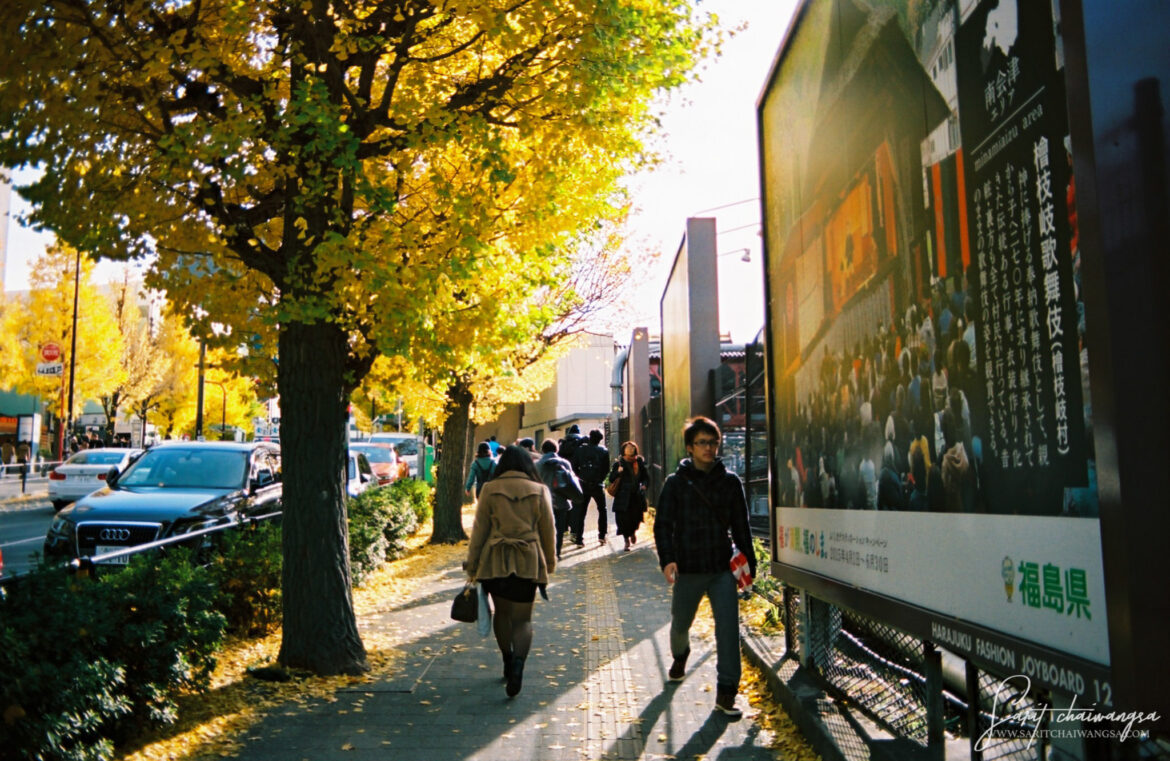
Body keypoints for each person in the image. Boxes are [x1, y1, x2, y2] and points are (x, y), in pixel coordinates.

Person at [654, 416, 757, 718]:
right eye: (702, 443)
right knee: (679, 624)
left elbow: (741, 526)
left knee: (728, 631)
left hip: (721, 569)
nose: (709, 448)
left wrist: (749, 563)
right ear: (690, 447)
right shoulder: (675, 484)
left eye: (713, 442)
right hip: (688, 568)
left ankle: (726, 693)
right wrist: (667, 558)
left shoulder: (729, 482)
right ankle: (680, 655)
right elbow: (663, 525)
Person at [464, 445, 557, 697]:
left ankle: (506, 659)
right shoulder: (539, 490)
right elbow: (548, 530)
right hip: (528, 559)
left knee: (502, 615)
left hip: (496, 559)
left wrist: (472, 565)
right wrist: (550, 561)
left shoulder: (491, 489)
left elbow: (479, 530)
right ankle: (518, 665)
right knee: (523, 619)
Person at [537, 439, 580, 559]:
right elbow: (571, 481)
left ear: (542, 450)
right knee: (559, 529)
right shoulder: (565, 463)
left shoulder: (537, 465)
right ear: (556, 449)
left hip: (543, 502)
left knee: (545, 528)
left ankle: (546, 553)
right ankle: (557, 552)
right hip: (561, 501)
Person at [570, 429, 610, 547]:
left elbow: (574, 466)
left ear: (590, 437)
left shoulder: (580, 450)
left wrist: (580, 477)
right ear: (600, 439)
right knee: (602, 509)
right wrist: (599, 480)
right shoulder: (603, 451)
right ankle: (602, 535)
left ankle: (579, 539)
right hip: (597, 485)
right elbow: (606, 469)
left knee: (581, 512)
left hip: (583, 484)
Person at [608, 441, 648, 551]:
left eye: (632, 448)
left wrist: (644, 485)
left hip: (636, 496)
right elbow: (611, 478)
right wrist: (618, 472)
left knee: (636, 519)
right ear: (623, 450)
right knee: (623, 520)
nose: (630, 449)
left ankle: (633, 533)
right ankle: (626, 540)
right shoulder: (619, 463)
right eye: (628, 448)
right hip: (623, 496)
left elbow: (645, 477)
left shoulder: (639, 462)